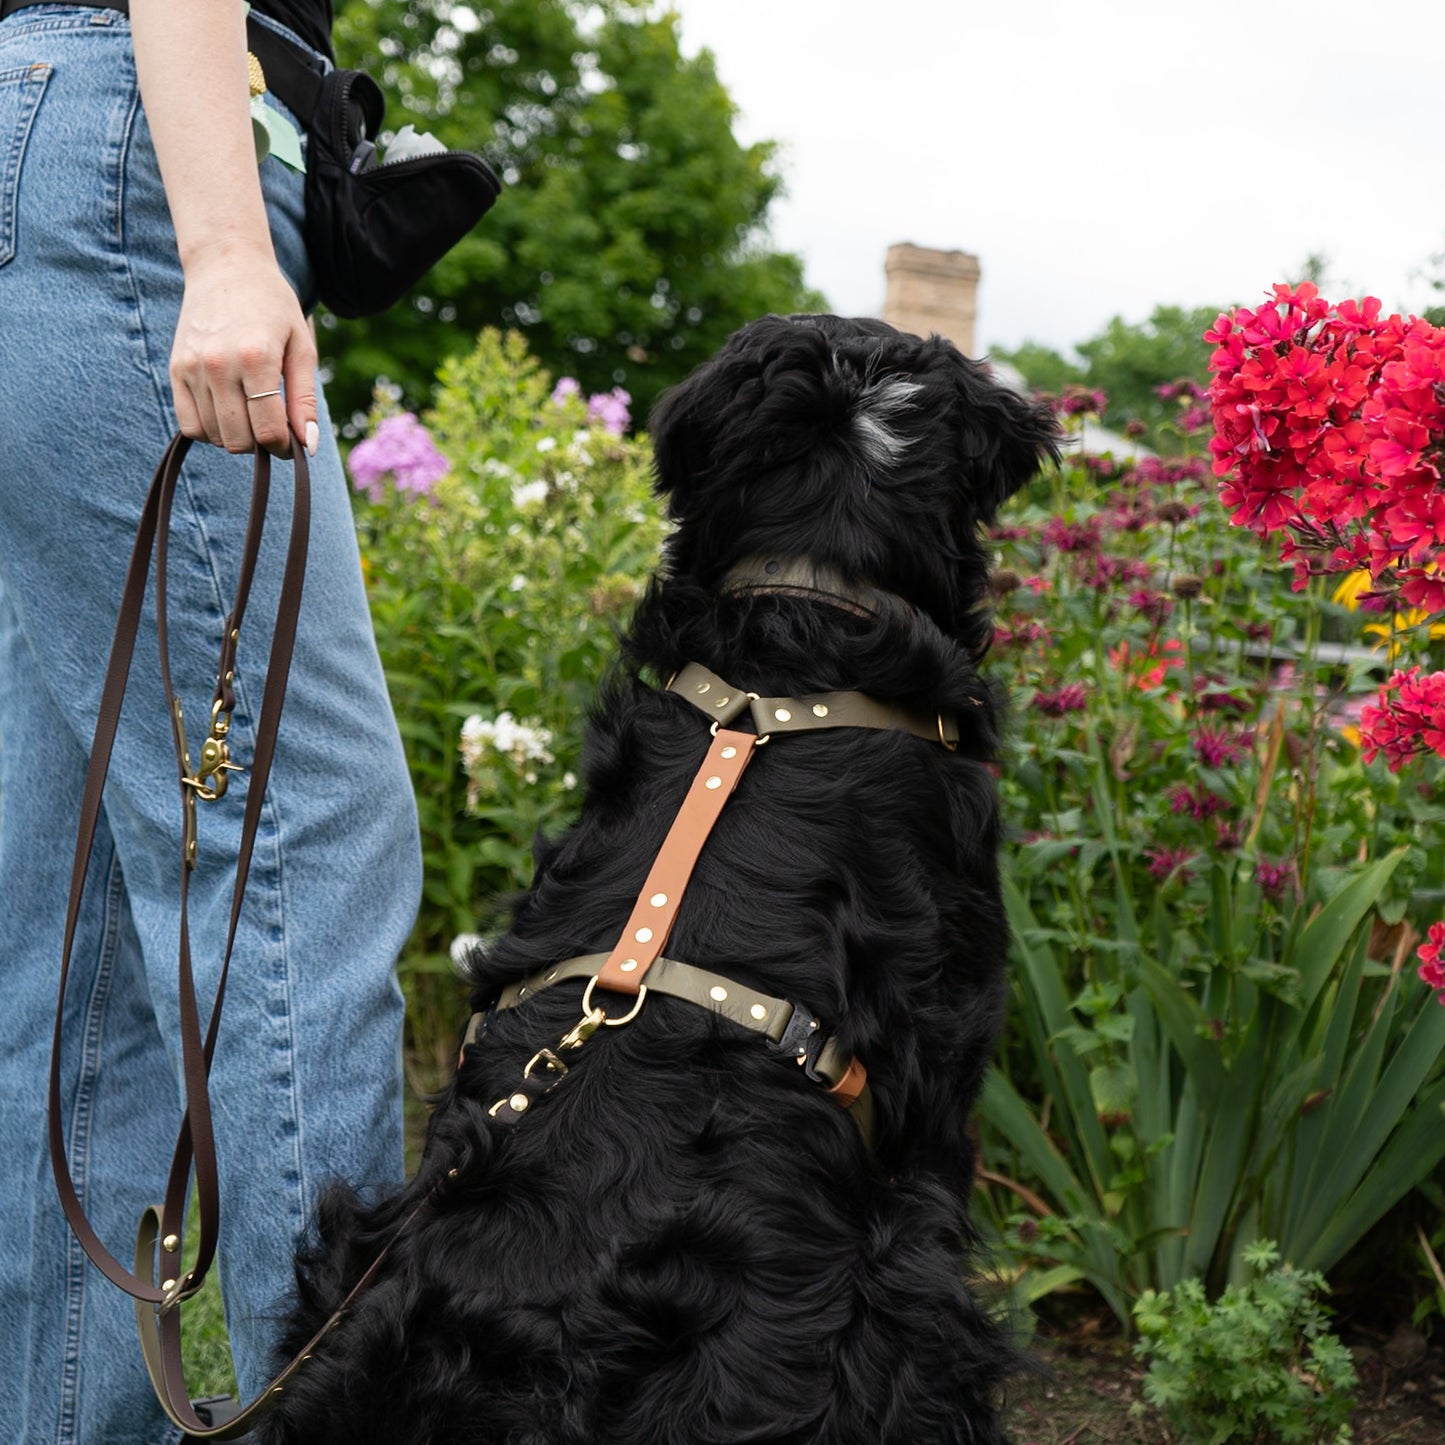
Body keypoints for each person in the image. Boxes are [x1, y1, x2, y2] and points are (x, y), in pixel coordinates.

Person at [0, 2, 422, 1441]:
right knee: (304, 847)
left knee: (90, 926)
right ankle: (333, 1419)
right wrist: (228, 244)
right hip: (138, 153)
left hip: (59, 154)